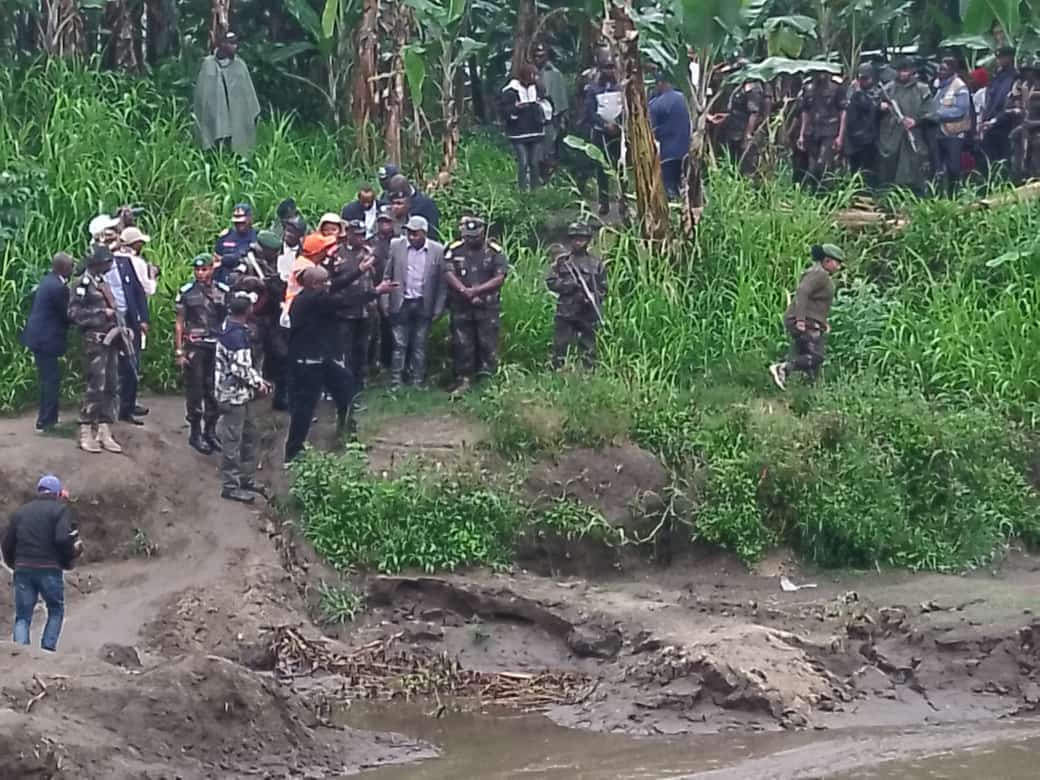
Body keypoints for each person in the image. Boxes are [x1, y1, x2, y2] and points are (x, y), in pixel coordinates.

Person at [285, 266, 394, 462]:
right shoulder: (313, 300)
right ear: (314, 285)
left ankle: (347, 438)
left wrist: (359, 269)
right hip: (307, 363)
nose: (329, 284)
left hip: (322, 360)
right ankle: (292, 454)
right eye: (324, 282)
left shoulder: (315, 295)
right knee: (304, 409)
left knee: (347, 392)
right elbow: (346, 301)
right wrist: (375, 291)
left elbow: (336, 285)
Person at [2, 475, 82, 652]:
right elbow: (62, 538)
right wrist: (68, 557)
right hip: (49, 568)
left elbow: (6, 543)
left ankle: (20, 652)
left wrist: (14, 564)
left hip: (23, 568)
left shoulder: (20, 512)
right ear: (57, 493)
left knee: (23, 616)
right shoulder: (60, 510)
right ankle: (46, 652)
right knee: (55, 610)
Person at [215, 293, 272, 503]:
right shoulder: (236, 336)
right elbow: (241, 370)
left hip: (239, 395)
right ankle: (230, 486)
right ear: (248, 311)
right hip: (233, 397)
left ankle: (246, 478)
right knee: (233, 441)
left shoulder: (228, 327)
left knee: (250, 436)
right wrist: (260, 384)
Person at [68, 244, 123, 454]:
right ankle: (85, 428)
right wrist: (102, 313)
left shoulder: (102, 282)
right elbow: (73, 313)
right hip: (94, 340)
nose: (111, 265)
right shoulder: (82, 284)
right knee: (95, 385)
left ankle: (103, 427)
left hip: (111, 341)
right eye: (108, 262)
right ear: (98, 263)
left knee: (111, 384)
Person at [442, 217, 509, 392]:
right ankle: (463, 379)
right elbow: (448, 272)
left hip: (486, 308)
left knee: (488, 344)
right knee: (461, 344)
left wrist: (476, 291)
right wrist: (465, 291)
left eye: (475, 236)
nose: (471, 239)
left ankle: (487, 381)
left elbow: (499, 278)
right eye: (468, 236)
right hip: (461, 306)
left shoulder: (494, 251)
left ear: (483, 233)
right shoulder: (454, 249)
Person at [382, 215, 446, 390]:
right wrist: (385, 301)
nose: (411, 237)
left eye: (415, 234)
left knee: (419, 344)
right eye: (409, 233)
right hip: (401, 301)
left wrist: (439, 308)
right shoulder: (396, 246)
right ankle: (396, 381)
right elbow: (387, 275)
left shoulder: (437, 250)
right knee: (399, 344)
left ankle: (417, 381)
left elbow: (442, 283)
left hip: (423, 303)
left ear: (424, 233)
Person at [769, 244, 845, 391]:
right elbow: (802, 292)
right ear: (827, 260)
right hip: (806, 322)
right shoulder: (819, 274)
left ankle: (805, 394)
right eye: (837, 262)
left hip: (811, 321)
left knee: (809, 361)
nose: (839, 267)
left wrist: (823, 322)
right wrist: (800, 319)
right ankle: (782, 368)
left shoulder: (820, 274)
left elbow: (815, 302)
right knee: (817, 357)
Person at [175, 255, 229, 454]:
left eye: (204, 269)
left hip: (215, 345)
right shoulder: (187, 292)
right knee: (195, 390)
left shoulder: (222, 291)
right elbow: (180, 322)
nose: (200, 273)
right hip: (195, 346)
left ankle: (211, 431)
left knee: (214, 389)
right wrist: (179, 350)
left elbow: (227, 320)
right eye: (197, 270)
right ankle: (195, 433)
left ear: (211, 269)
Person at [20, 253, 73, 433]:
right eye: (71, 266)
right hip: (47, 339)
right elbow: (67, 314)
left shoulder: (48, 280)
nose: (72, 270)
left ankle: (45, 419)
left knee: (46, 379)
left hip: (39, 337)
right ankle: (47, 421)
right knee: (51, 380)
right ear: (64, 269)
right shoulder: (58, 287)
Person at [546, 223, 606, 369]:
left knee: (588, 346)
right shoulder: (562, 261)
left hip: (587, 312)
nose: (578, 242)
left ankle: (588, 375)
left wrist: (592, 297)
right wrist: (569, 286)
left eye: (582, 239)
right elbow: (551, 281)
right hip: (566, 310)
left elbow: (603, 287)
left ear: (588, 240)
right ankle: (558, 373)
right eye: (575, 239)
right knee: (560, 345)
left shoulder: (596, 263)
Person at [103, 240, 150, 426]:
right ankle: (108, 409)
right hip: (108, 322)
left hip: (130, 320)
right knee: (111, 367)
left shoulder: (125, 263)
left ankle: (127, 408)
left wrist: (143, 318)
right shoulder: (97, 267)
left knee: (132, 364)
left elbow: (138, 292)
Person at [192, 31, 261, 157]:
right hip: (215, 118)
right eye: (231, 43)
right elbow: (202, 98)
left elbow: (249, 97)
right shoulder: (208, 65)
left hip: (236, 118)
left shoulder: (240, 66)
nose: (235, 46)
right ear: (221, 44)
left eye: (236, 43)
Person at [333, 220, 377, 395]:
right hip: (344, 310)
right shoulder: (336, 253)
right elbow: (331, 282)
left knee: (362, 349)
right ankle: (344, 384)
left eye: (362, 234)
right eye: (356, 234)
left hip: (366, 310)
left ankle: (360, 384)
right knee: (345, 350)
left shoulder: (369, 253)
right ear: (348, 234)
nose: (360, 238)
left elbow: (378, 277)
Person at [877, 57, 933, 193]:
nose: (903, 74)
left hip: (915, 133)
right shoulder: (888, 89)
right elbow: (876, 105)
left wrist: (916, 120)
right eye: (900, 71)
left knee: (914, 164)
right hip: (891, 134)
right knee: (890, 165)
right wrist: (881, 107)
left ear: (912, 71)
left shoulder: (922, 89)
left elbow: (929, 111)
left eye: (906, 71)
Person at [584, 55, 625, 216]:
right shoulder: (593, 88)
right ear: (601, 69)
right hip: (601, 133)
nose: (610, 71)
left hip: (618, 132)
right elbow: (590, 111)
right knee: (602, 168)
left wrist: (617, 123)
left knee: (620, 168)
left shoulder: (621, 87)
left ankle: (623, 201)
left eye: (612, 67)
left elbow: (627, 108)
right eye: (606, 67)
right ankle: (604, 202)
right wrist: (604, 124)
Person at [797, 70, 848, 189]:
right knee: (813, 166)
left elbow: (843, 112)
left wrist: (840, 137)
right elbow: (805, 111)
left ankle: (827, 192)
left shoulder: (836, 87)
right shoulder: (808, 87)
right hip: (813, 131)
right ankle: (815, 193)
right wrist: (801, 134)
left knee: (823, 163)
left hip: (829, 130)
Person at [501, 63, 548, 192]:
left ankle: (535, 190)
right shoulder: (511, 90)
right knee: (523, 162)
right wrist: (516, 108)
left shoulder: (536, 88)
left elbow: (545, 99)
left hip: (536, 131)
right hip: (519, 133)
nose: (534, 78)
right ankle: (522, 190)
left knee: (534, 163)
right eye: (532, 75)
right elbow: (503, 110)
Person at [649, 70, 692, 199]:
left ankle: (672, 213)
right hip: (687, 151)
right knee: (685, 187)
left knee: (669, 189)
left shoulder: (655, 104)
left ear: (661, 84)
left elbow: (651, 130)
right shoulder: (686, 99)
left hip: (667, 154)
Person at [933, 56, 972, 194]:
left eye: (944, 69)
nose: (940, 71)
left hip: (954, 134)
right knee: (937, 168)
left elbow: (960, 110)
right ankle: (937, 196)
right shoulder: (938, 86)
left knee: (953, 168)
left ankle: (954, 195)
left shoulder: (960, 87)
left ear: (952, 69)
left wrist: (937, 114)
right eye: (940, 69)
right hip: (938, 132)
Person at [534, 43, 569, 179]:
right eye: (536, 56)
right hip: (536, 117)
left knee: (550, 149)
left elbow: (560, 97)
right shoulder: (531, 73)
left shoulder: (554, 73)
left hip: (552, 117)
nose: (538, 59)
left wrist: (562, 117)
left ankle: (550, 177)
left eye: (541, 56)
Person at [981, 46, 1018, 172]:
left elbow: (1009, 103)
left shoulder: (1015, 78)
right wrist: (985, 119)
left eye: (1002, 57)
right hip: (990, 125)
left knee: (1004, 160)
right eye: (998, 58)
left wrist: (994, 121)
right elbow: (990, 101)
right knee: (990, 161)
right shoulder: (997, 77)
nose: (999, 60)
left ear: (1010, 58)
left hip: (1005, 124)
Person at [844, 63, 882, 185]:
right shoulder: (853, 91)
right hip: (853, 137)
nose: (863, 81)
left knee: (868, 170)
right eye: (861, 78)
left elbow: (871, 107)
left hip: (869, 138)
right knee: (854, 169)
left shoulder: (878, 92)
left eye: (866, 78)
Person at [371, 206, 398, 371]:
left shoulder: (401, 241)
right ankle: (375, 363)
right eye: (381, 221)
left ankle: (390, 363)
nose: (384, 225)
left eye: (387, 221)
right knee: (375, 328)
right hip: (375, 288)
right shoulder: (371, 242)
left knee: (392, 327)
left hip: (395, 288)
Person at [1008, 56, 1040, 182]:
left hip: (1036, 127)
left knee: (1037, 142)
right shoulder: (1025, 87)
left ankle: (1036, 174)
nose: (1028, 74)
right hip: (1027, 126)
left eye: (1031, 72)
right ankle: (1019, 173)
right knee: (1015, 136)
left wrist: (1032, 124)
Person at [385, 174, 441, 241]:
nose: (395, 207)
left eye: (399, 203)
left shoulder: (426, 205)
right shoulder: (386, 212)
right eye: (393, 203)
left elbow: (433, 234)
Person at [214, 203, 258, 285]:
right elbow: (216, 261)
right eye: (236, 223)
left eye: (242, 222)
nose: (239, 225)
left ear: (250, 219)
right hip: (225, 280)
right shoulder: (225, 236)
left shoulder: (257, 237)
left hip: (247, 280)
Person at [117, 226, 158, 298]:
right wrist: (152, 274)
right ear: (136, 243)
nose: (143, 245)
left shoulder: (114, 257)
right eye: (141, 242)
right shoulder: (138, 262)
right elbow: (150, 290)